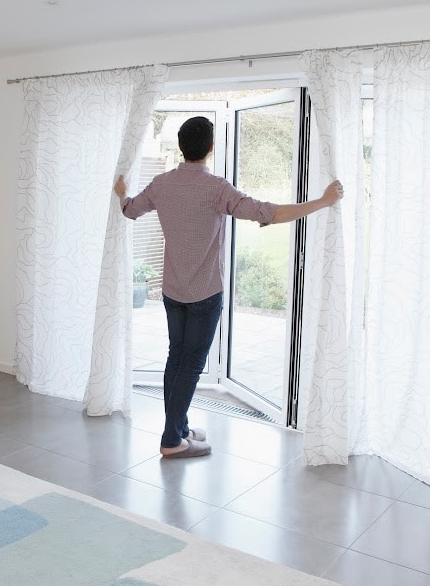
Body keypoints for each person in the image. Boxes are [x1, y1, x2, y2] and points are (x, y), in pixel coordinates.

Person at [114, 116, 344, 459]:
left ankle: (178, 428)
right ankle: (171, 441)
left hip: (173, 292)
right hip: (205, 294)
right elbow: (268, 212)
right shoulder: (217, 189)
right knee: (190, 364)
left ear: (182, 147)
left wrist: (121, 193)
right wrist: (322, 202)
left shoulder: (161, 184)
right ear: (210, 148)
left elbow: (130, 210)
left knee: (176, 358)